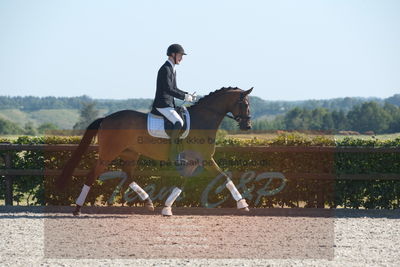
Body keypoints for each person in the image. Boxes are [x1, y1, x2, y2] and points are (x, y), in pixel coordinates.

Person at [152, 44, 196, 161]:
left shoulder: (172, 69)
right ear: (173, 54)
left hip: (169, 104)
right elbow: (168, 89)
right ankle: (173, 153)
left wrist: (187, 95)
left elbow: (175, 88)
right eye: (180, 55)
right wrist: (184, 97)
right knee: (178, 122)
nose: (182, 58)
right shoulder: (165, 69)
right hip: (162, 104)